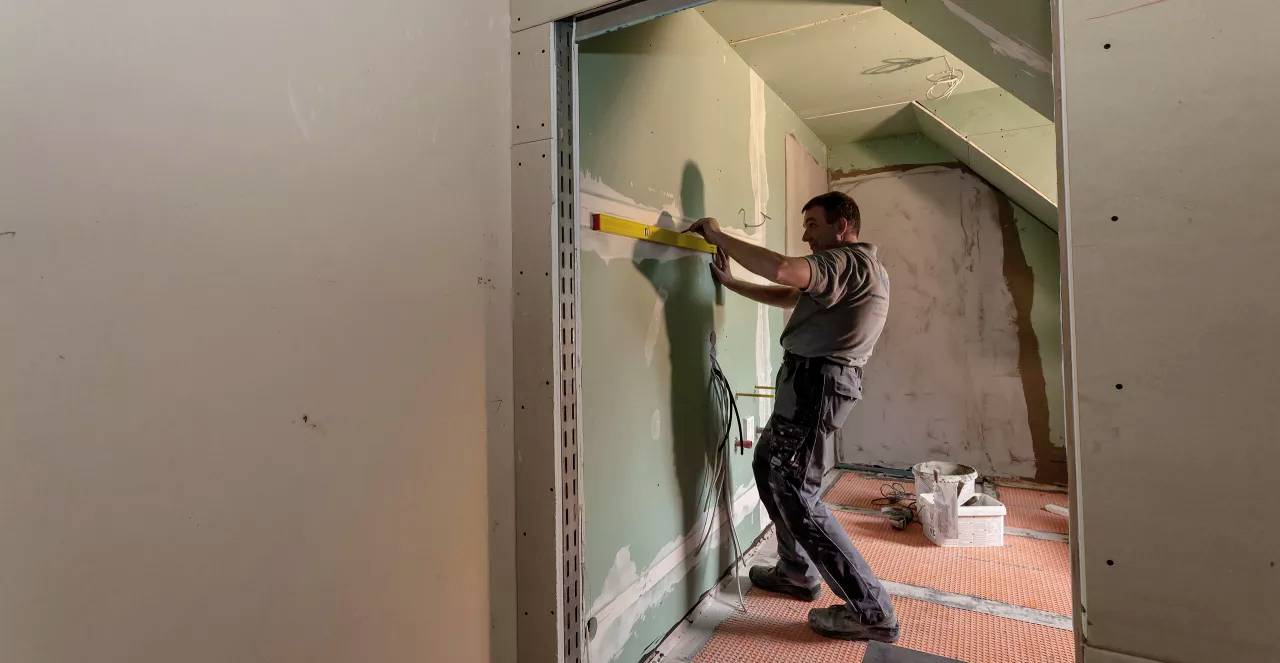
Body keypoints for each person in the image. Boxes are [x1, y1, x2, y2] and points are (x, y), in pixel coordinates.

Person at [686, 191, 897, 643]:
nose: (806, 235)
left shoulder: (846, 262)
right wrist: (731, 283)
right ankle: (796, 571)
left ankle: (872, 610)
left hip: (817, 385)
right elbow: (789, 293)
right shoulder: (856, 269)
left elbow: (783, 269)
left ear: (842, 225)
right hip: (810, 383)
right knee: (769, 465)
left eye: (813, 224)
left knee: (799, 493)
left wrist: (718, 234)